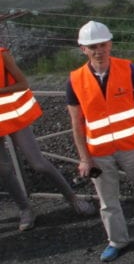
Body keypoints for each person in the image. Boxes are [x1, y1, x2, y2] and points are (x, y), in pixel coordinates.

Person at [66, 21, 134, 261]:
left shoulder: (128, 69)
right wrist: (84, 157)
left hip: (133, 146)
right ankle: (117, 241)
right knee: (107, 201)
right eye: (92, 46)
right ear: (83, 49)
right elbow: (76, 123)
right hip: (99, 152)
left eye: (103, 44)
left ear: (110, 44)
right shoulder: (75, 79)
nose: (99, 50)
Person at [1, 46, 97, 231]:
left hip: (14, 115)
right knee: (3, 170)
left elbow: (23, 83)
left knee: (38, 163)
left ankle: (73, 198)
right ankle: (25, 209)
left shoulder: (2, 54)